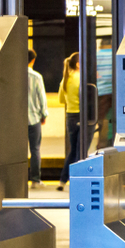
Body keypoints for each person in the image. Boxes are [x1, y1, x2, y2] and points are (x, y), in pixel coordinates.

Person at [57, 52, 81, 190]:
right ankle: (77, 181)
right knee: (80, 150)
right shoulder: (80, 78)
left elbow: (61, 100)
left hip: (70, 117)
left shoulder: (65, 79)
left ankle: (62, 180)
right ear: (78, 64)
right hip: (81, 116)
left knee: (73, 150)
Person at [27, 49, 48, 187]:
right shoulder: (36, 77)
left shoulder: (13, 75)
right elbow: (42, 97)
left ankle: (17, 179)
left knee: (17, 150)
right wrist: (44, 114)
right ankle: (35, 180)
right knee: (35, 149)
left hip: (16, 121)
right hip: (33, 119)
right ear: (33, 60)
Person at [95, 38, 114, 149]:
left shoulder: (97, 56)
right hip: (113, 92)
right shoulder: (114, 54)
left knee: (101, 121)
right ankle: (109, 143)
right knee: (112, 119)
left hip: (100, 92)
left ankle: (101, 145)